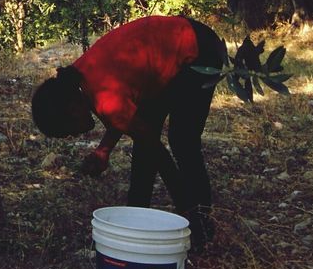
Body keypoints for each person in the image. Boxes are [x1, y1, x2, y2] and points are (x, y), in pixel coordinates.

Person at [30, 14, 227, 248]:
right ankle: (136, 219)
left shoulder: (104, 99)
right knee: (145, 138)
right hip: (170, 50)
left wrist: (183, 204)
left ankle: (201, 223)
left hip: (198, 50)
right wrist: (104, 151)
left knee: (182, 141)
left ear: (72, 109)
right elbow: (129, 119)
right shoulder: (81, 78)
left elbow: (157, 151)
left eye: (69, 131)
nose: (75, 135)